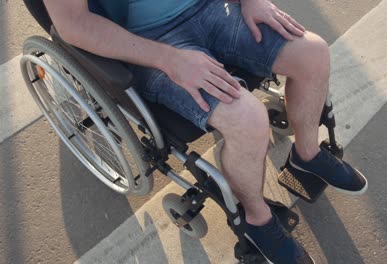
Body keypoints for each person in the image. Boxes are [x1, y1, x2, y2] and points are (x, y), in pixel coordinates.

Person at [43, 0, 368, 263]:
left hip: (211, 9)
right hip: (146, 43)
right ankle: (256, 220)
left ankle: (306, 156)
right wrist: (169, 60)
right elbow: (72, 23)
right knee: (248, 119)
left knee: (313, 53)